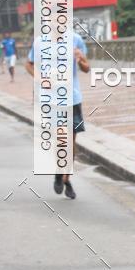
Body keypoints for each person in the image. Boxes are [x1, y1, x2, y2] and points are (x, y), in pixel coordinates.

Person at [25, 30, 90, 200]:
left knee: (71, 141)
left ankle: (66, 178)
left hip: (72, 98)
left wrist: (81, 58)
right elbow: (29, 65)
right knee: (60, 139)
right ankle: (60, 172)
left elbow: (86, 68)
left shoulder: (75, 39)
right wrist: (42, 80)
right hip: (51, 99)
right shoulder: (40, 42)